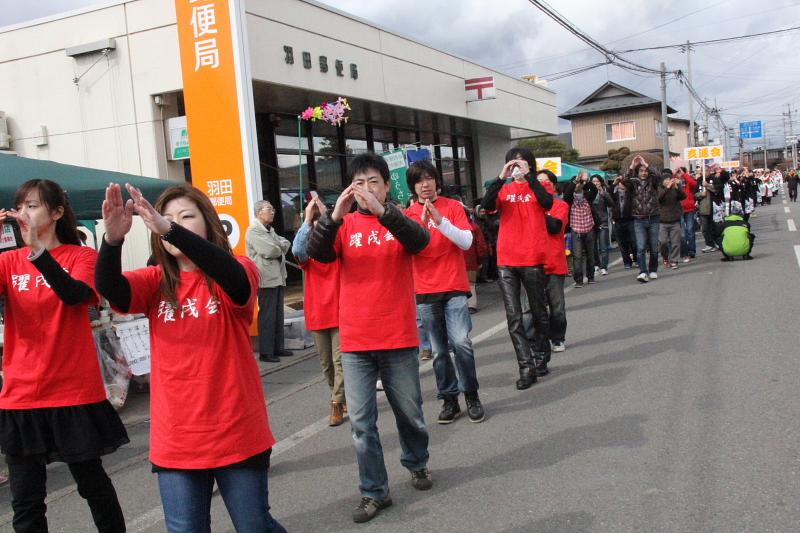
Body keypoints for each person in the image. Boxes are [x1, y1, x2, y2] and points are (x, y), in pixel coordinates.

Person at [96, 183, 285, 532]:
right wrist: (112, 241)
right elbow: (111, 289)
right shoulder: (155, 281)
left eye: (186, 217)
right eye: (165, 218)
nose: (169, 224)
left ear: (208, 224)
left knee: (254, 526)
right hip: (177, 438)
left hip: (236, 431)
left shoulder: (238, 268)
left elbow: (235, 281)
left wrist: (171, 229)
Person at [307, 153, 432, 524]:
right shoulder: (342, 225)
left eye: (373, 181)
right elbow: (316, 254)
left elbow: (420, 242)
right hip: (357, 341)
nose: (366, 189)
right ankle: (375, 491)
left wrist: (383, 212)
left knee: (410, 414)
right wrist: (333, 217)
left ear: (387, 184)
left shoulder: (399, 219)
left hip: (398, 335)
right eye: (359, 183)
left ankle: (417, 463)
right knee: (362, 424)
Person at [0, 179, 128, 532]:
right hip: (22, 396)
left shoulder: (81, 256)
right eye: (21, 205)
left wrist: (38, 253)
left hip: (73, 392)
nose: (24, 213)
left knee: (93, 487)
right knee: (26, 501)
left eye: (33, 206)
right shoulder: (8, 261)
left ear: (57, 212)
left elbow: (75, 295)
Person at [405, 160, 484, 424]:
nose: (424, 184)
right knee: (438, 351)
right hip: (425, 290)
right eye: (418, 180)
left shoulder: (452, 207)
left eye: (428, 178)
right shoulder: (408, 215)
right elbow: (407, 251)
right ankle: (449, 399)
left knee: (461, 343)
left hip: (454, 286)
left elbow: (466, 241)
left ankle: (471, 395)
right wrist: (420, 227)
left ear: (437, 181)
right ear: (413, 186)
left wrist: (440, 222)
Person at [480, 147, 553, 390]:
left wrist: (530, 177)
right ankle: (526, 366)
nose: (517, 168)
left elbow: (547, 202)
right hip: (506, 260)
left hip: (532, 258)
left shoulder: (539, 187)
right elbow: (487, 205)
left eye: (521, 164)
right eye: (513, 164)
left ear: (530, 166)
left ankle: (541, 355)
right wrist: (501, 177)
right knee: (514, 317)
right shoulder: (504, 189)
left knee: (538, 311)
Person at [292, 196, 346, 427]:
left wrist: (328, 218)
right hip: (317, 313)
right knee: (327, 364)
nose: (319, 232)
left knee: (340, 360)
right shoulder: (309, 254)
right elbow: (297, 250)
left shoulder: (337, 245)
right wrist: (307, 219)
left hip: (341, 311)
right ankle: (340, 396)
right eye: (316, 228)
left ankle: (336, 402)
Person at [246, 200, 292, 363]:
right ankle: (266, 352)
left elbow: (286, 243)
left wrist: (277, 247)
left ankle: (278, 347)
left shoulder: (269, 230)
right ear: (259, 212)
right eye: (268, 209)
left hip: (277, 276)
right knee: (267, 315)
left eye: (273, 209)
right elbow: (270, 250)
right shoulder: (253, 231)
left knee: (278, 314)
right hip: (265, 278)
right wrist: (278, 247)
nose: (272, 211)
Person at [622, 156, 661, 283]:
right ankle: (643, 271)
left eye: (645, 171)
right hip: (639, 220)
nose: (643, 173)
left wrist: (646, 164)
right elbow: (624, 180)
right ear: (638, 173)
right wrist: (632, 166)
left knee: (654, 247)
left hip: (653, 218)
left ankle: (653, 269)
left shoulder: (653, 181)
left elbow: (659, 176)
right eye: (641, 171)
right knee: (641, 247)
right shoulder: (633, 183)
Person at [563, 172, 597, 287]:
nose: (578, 185)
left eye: (580, 183)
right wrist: (575, 182)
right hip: (575, 229)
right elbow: (567, 194)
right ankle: (578, 280)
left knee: (590, 254)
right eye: (576, 183)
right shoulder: (569, 199)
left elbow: (595, 190)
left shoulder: (588, 196)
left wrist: (586, 181)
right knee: (577, 256)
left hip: (589, 228)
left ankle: (591, 276)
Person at [657, 170, 686, 270]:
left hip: (675, 219)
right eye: (665, 180)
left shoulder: (675, 188)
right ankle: (665, 257)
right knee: (663, 242)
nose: (668, 181)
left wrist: (677, 188)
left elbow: (683, 197)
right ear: (662, 181)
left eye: (669, 179)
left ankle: (674, 260)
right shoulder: (659, 189)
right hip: (662, 221)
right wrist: (667, 188)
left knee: (675, 242)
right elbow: (659, 199)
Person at [590, 175, 616, 276]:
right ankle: (597, 264)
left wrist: (603, 193)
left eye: (597, 181)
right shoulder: (589, 194)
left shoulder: (603, 193)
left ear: (600, 183)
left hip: (602, 222)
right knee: (593, 247)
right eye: (593, 181)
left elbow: (611, 204)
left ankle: (604, 267)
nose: (595, 183)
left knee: (603, 247)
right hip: (591, 223)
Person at [611, 176, 636, 269]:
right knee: (622, 243)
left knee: (634, 241)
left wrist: (626, 180)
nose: (621, 184)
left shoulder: (630, 193)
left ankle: (636, 258)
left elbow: (632, 186)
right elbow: (609, 192)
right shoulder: (615, 193)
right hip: (618, 221)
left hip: (630, 220)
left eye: (623, 183)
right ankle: (627, 261)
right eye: (620, 182)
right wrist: (614, 183)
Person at [678, 167, 698, 262]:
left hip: (689, 209)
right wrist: (675, 175)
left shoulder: (688, 182)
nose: (679, 174)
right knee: (682, 233)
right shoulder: (675, 182)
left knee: (690, 230)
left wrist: (684, 175)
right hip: (679, 209)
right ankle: (684, 251)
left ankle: (691, 250)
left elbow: (694, 183)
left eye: (680, 172)